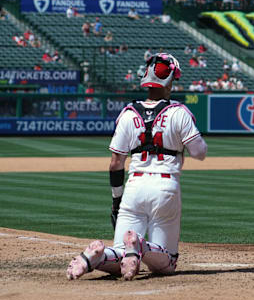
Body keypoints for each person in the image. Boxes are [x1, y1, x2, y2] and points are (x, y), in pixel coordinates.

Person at [66, 53, 207, 281]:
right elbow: (200, 152)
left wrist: (116, 199)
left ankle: (94, 257)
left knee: (122, 251)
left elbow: (115, 163)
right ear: (170, 81)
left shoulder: (128, 113)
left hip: (134, 186)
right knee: (167, 263)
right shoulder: (179, 112)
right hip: (165, 186)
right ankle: (140, 244)